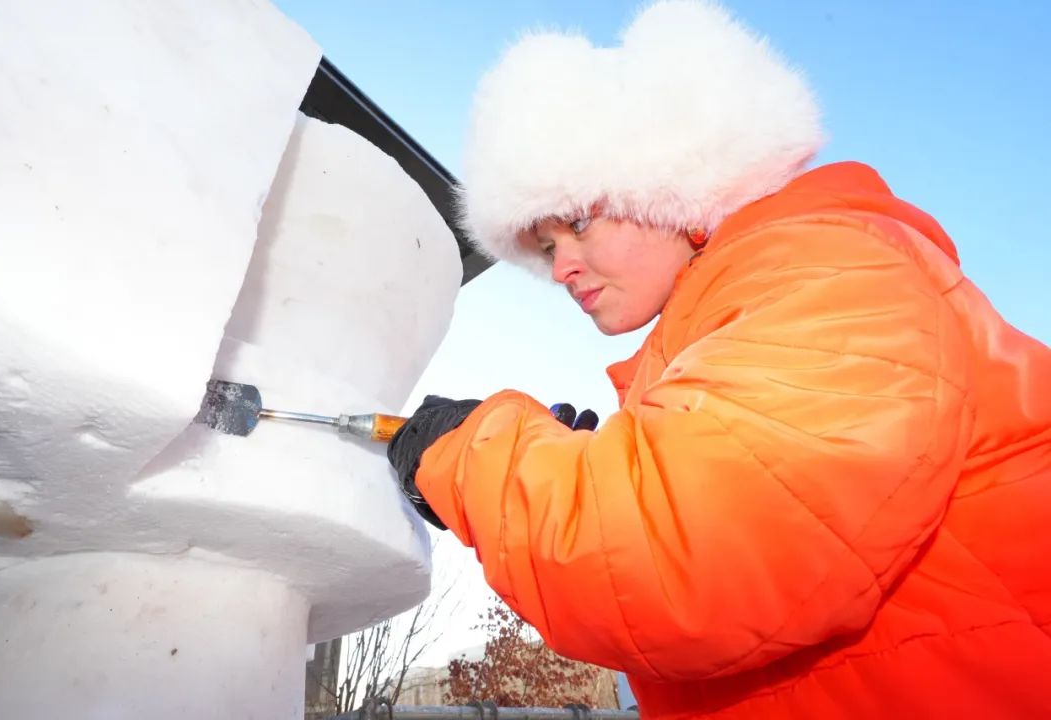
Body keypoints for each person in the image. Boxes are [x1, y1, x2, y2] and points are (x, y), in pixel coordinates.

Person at [386, 1, 1051, 717]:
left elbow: (682, 561)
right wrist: (588, 466)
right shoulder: (751, 306)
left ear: (678, 184)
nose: (562, 267)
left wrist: (467, 454)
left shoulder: (830, 272)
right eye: (546, 248)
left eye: (577, 222)